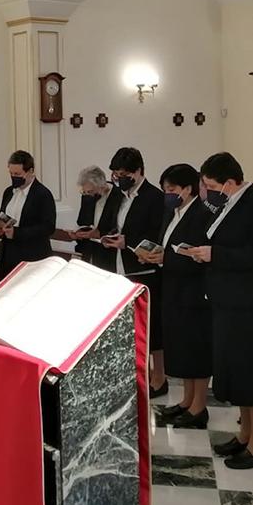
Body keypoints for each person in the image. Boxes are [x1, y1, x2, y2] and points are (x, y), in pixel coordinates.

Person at [183, 152, 253, 469]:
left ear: (229, 182)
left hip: (250, 303)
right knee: (237, 371)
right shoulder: (231, 203)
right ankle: (245, 436)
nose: (209, 192)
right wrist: (204, 253)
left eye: (212, 186)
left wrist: (215, 255)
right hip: (229, 300)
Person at [138, 164, 213, 429]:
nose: (167, 194)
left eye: (171, 189)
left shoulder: (201, 214)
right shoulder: (173, 212)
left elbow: (196, 254)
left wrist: (166, 258)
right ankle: (186, 400)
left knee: (196, 348)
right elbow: (168, 246)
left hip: (193, 291)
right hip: (172, 286)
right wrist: (154, 255)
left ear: (188, 189)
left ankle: (199, 406)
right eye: (165, 190)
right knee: (182, 347)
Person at [98, 148, 167, 398]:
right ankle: (136, 374)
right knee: (128, 326)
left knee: (152, 325)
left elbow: (157, 232)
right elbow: (107, 223)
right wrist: (107, 236)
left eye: (124, 174)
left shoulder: (154, 197)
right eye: (116, 174)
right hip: (118, 265)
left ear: (138, 171)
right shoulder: (117, 194)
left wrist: (128, 242)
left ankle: (159, 377)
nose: (119, 179)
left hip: (144, 268)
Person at [0, 150, 56, 283]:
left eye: (17, 174)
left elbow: (48, 227)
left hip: (31, 257)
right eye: (11, 173)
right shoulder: (9, 192)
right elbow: (2, 216)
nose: (13, 177)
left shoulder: (43, 194)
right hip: (6, 256)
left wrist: (17, 233)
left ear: (30, 171)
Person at [69, 166, 122, 270]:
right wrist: (77, 233)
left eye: (91, 191)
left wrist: (100, 234)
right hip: (89, 252)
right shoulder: (87, 195)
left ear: (101, 185)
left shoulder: (118, 196)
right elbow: (81, 221)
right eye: (85, 192)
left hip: (110, 255)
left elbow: (119, 227)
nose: (88, 195)